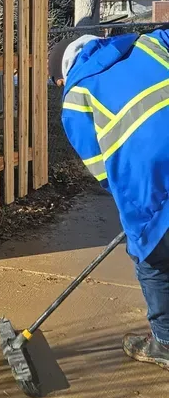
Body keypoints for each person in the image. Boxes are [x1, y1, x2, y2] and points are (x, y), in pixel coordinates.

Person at [49, 28, 169, 370]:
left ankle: (164, 343)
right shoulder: (151, 43)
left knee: (152, 258)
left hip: (152, 190)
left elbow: (103, 172)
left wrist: (137, 211)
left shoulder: (75, 98)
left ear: (62, 77)